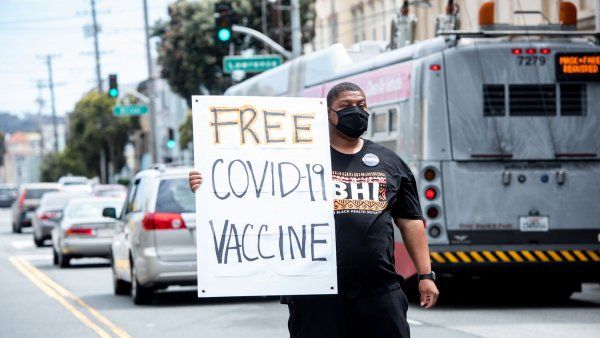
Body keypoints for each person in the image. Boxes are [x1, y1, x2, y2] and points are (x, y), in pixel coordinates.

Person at [189, 82, 439, 338]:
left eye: (361, 105)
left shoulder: (389, 161)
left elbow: (411, 222)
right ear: (327, 113)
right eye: (345, 106)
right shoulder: (298, 160)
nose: (356, 111)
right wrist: (208, 185)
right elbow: (251, 191)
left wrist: (425, 275)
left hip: (378, 288)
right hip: (314, 292)